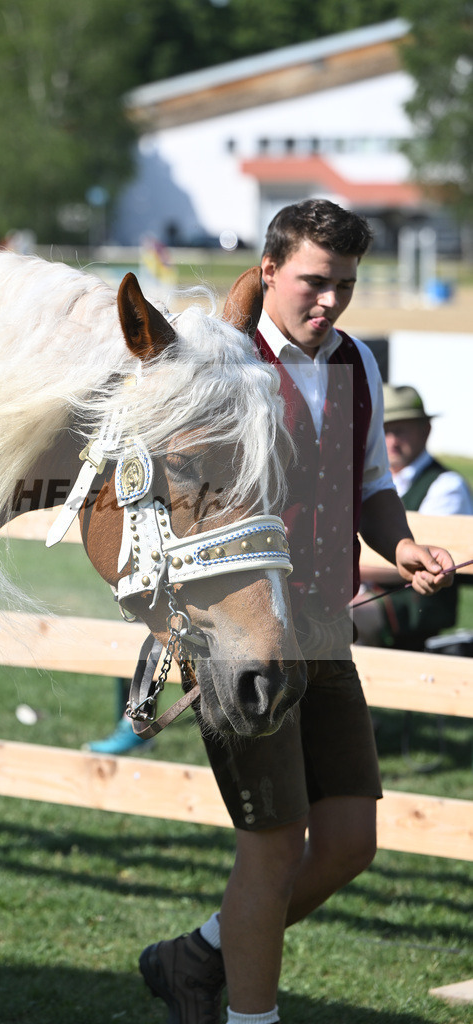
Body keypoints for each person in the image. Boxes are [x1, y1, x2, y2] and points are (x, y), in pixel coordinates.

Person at [137, 199, 455, 1024]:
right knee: (273, 844)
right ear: (269, 269)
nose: (329, 302)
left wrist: (404, 546)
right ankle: (249, 1016)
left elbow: (371, 487)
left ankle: (194, 957)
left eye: (345, 286)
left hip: (322, 627)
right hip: (237, 634)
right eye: (314, 282)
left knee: (349, 843)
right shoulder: (218, 364)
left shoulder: (355, 362)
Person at [352, 384, 473, 649]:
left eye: (401, 430)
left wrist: (344, 569)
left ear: (425, 431)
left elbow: (427, 561)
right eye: (384, 430)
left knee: (341, 622)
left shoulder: (446, 486)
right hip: (363, 591)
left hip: (414, 602)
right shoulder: (367, 481)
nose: (392, 441)